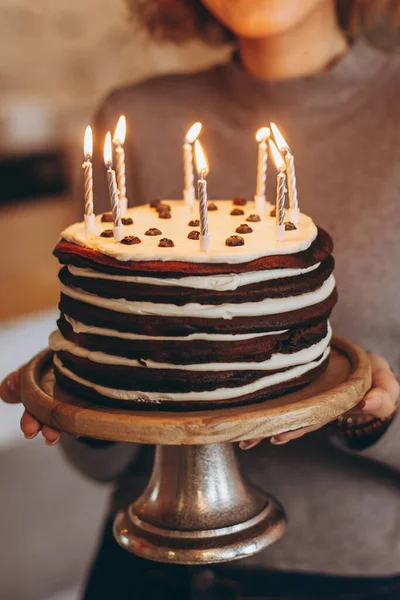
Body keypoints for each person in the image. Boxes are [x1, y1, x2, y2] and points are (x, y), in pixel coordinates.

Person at [1, 0, 400, 598]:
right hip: (145, 560)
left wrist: (376, 420)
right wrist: (88, 402)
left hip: (349, 574)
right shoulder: (135, 117)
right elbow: (99, 461)